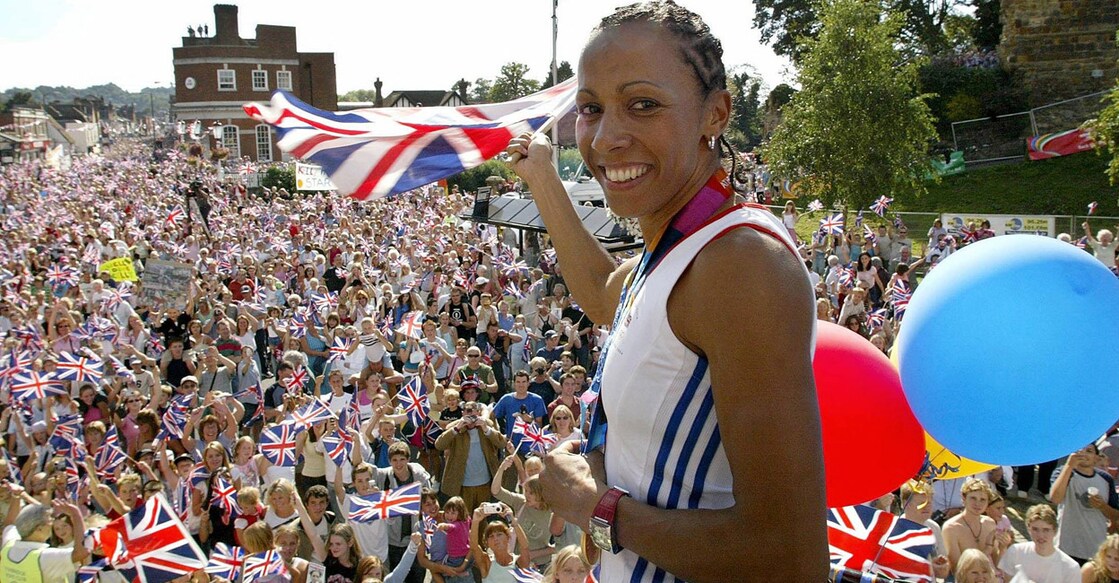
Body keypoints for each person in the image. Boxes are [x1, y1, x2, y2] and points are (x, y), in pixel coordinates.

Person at [506, 3, 826, 580]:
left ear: (716, 114)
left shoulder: (742, 264)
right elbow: (608, 295)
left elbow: (790, 557)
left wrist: (596, 507)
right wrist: (544, 178)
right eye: (590, 109)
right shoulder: (683, 246)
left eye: (643, 105)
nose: (605, 138)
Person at [1050, 443, 1119, 564]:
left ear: (1096, 458)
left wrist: (1102, 506)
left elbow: (1115, 515)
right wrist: (1069, 466)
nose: (1083, 453)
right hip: (1066, 547)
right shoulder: (1063, 472)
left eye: (1089, 451)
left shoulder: (1105, 479)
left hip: (1096, 549)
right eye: (1079, 449)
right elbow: (1055, 498)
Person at [1, 492, 90, 583]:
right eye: (50, 519)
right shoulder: (44, 558)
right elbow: (81, 552)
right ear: (39, 529)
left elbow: (10, 525)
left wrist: (16, 496)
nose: (52, 523)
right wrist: (75, 514)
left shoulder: (8, 544)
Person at [998, 504, 1080, 583]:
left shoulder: (1070, 567)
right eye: (1035, 529)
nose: (1040, 535)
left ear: (1055, 531)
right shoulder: (1015, 552)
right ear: (1028, 529)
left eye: (1046, 530)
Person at [943, 478, 998, 570]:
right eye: (973, 498)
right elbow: (957, 568)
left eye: (983, 500)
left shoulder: (990, 523)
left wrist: (1003, 547)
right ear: (963, 498)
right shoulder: (951, 528)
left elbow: (997, 562)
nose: (978, 503)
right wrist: (988, 548)